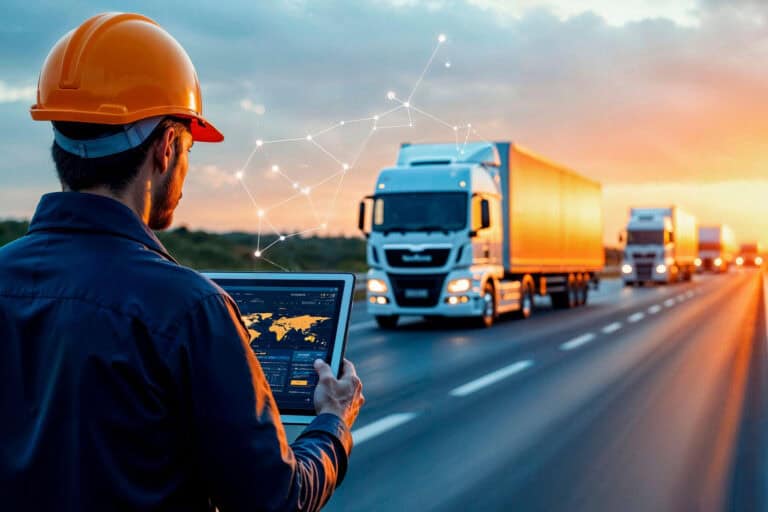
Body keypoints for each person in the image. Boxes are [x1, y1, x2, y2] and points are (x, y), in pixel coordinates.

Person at [0, 12, 364, 511]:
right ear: (167, 147)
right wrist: (332, 422)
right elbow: (274, 500)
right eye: (190, 145)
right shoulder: (189, 310)